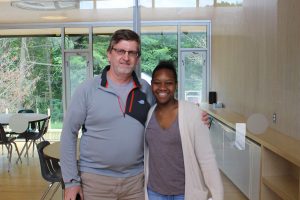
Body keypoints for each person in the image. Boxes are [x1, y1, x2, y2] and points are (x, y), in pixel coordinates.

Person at [60, 29, 210, 200]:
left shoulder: (146, 89)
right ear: (109, 54)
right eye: (121, 51)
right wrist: (71, 181)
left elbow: (167, 115)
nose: (126, 57)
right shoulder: (87, 90)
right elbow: (68, 134)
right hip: (95, 182)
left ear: (137, 58)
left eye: (132, 52)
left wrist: (194, 117)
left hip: (136, 182)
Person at [144, 61, 224, 200]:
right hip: (154, 192)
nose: (162, 87)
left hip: (185, 193)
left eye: (168, 82)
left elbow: (207, 159)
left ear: (176, 85)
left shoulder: (192, 113)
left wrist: (218, 195)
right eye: (157, 82)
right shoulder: (150, 113)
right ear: (152, 84)